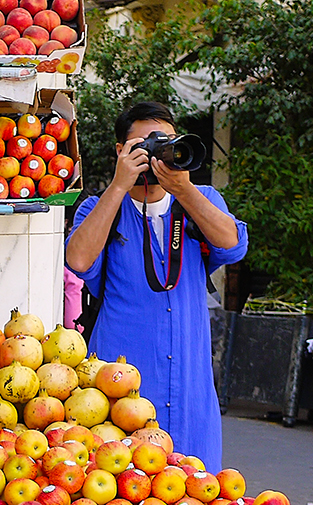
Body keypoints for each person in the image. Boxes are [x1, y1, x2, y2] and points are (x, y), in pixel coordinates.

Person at [65, 100, 248, 472]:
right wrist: (119, 186)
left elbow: (233, 244)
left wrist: (183, 189)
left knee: (198, 499)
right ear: (120, 151)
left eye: (162, 143)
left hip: (190, 389)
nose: (154, 155)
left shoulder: (200, 201)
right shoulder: (99, 208)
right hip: (119, 391)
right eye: (143, 146)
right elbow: (78, 261)